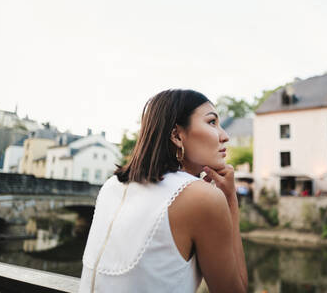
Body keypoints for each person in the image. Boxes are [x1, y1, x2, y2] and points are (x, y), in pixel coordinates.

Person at [79, 89, 248, 293]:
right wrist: (230, 199)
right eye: (212, 122)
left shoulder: (112, 185)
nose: (225, 136)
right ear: (177, 135)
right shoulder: (202, 197)